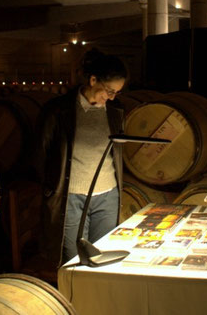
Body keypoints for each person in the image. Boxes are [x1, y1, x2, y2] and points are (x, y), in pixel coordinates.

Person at [34, 48, 127, 265]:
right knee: (73, 259)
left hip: (107, 196)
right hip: (71, 196)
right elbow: (41, 154)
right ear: (93, 80)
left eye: (116, 92)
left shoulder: (115, 111)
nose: (111, 97)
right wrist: (51, 187)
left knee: (104, 255)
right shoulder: (58, 111)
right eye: (109, 90)